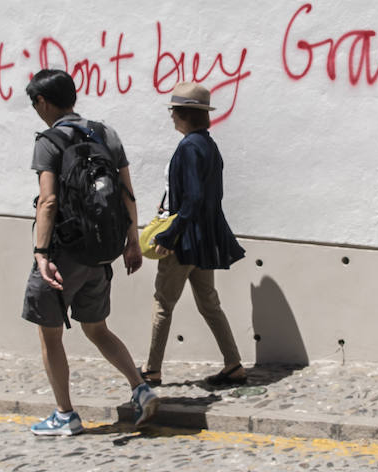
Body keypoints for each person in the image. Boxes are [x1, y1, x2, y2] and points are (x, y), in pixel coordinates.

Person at [21, 69, 159, 435]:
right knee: (97, 328)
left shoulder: (49, 141)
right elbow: (127, 193)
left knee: (50, 335)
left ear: (42, 101)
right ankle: (141, 388)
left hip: (64, 254)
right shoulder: (106, 133)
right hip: (101, 252)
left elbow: (48, 201)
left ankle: (65, 414)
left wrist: (41, 254)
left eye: (34, 103)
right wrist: (132, 241)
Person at [140, 82, 248, 387]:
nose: (171, 116)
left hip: (183, 242)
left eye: (174, 111)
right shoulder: (209, 145)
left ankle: (152, 370)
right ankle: (233, 364)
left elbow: (194, 197)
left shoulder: (188, 147)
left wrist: (169, 236)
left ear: (185, 114)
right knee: (210, 304)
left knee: (163, 304)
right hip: (203, 241)